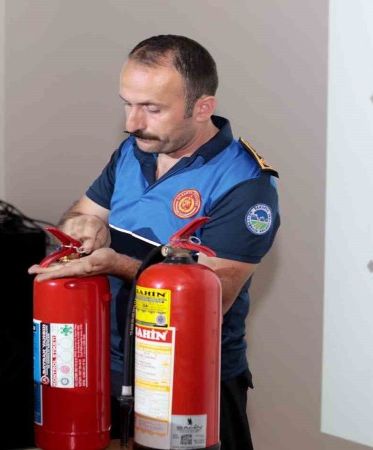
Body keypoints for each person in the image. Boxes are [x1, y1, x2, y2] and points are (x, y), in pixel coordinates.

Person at [28, 34, 280, 450]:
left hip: (189, 379)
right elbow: (79, 216)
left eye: (152, 109)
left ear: (202, 108)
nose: (132, 123)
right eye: (127, 104)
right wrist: (82, 228)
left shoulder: (244, 183)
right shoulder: (133, 151)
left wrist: (115, 264)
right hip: (109, 367)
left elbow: (213, 297)